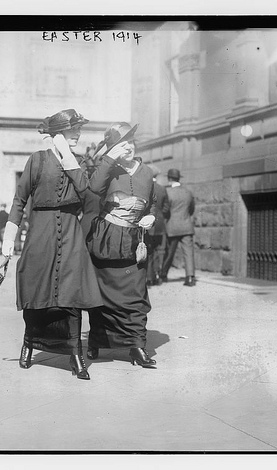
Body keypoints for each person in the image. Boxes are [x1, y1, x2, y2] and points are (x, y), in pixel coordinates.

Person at [2, 109, 102, 380]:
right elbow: (19, 200)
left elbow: (87, 195)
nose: (78, 134)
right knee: (37, 291)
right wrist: (9, 236)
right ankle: (29, 343)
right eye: (72, 130)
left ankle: (75, 353)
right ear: (58, 133)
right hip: (40, 232)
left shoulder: (79, 162)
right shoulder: (36, 160)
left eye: (78, 129)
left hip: (71, 233)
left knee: (73, 293)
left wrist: (68, 156)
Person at [85, 122, 158, 368]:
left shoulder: (146, 171)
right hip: (107, 238)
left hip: (134, 241)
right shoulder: (108, 168)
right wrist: (108, 160)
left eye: (130, 142)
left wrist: (151, 217)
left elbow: (153, 202)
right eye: (121, 144)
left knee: (136, 295)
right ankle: (96, 341)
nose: (127, 147)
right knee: (102, 294)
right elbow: (94, 189)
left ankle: (136, 346)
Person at [160, 168, 196, 286]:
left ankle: (163, 274)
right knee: (188, 253)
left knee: (169, 252)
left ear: (169, 178)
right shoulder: (188, 192)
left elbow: (165, 210)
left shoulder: (167, 192)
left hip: (172, 226)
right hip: (186, 226)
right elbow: (191, 209)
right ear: (179, 178)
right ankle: (190, 277)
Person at [145, 165, 170, 287]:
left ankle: (149, 278)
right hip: (159, 224)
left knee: (148, 250)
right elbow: (166, 208)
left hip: (147, 223)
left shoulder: (145, 187)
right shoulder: (162, 189)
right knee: (156, 251)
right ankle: (155, 275)